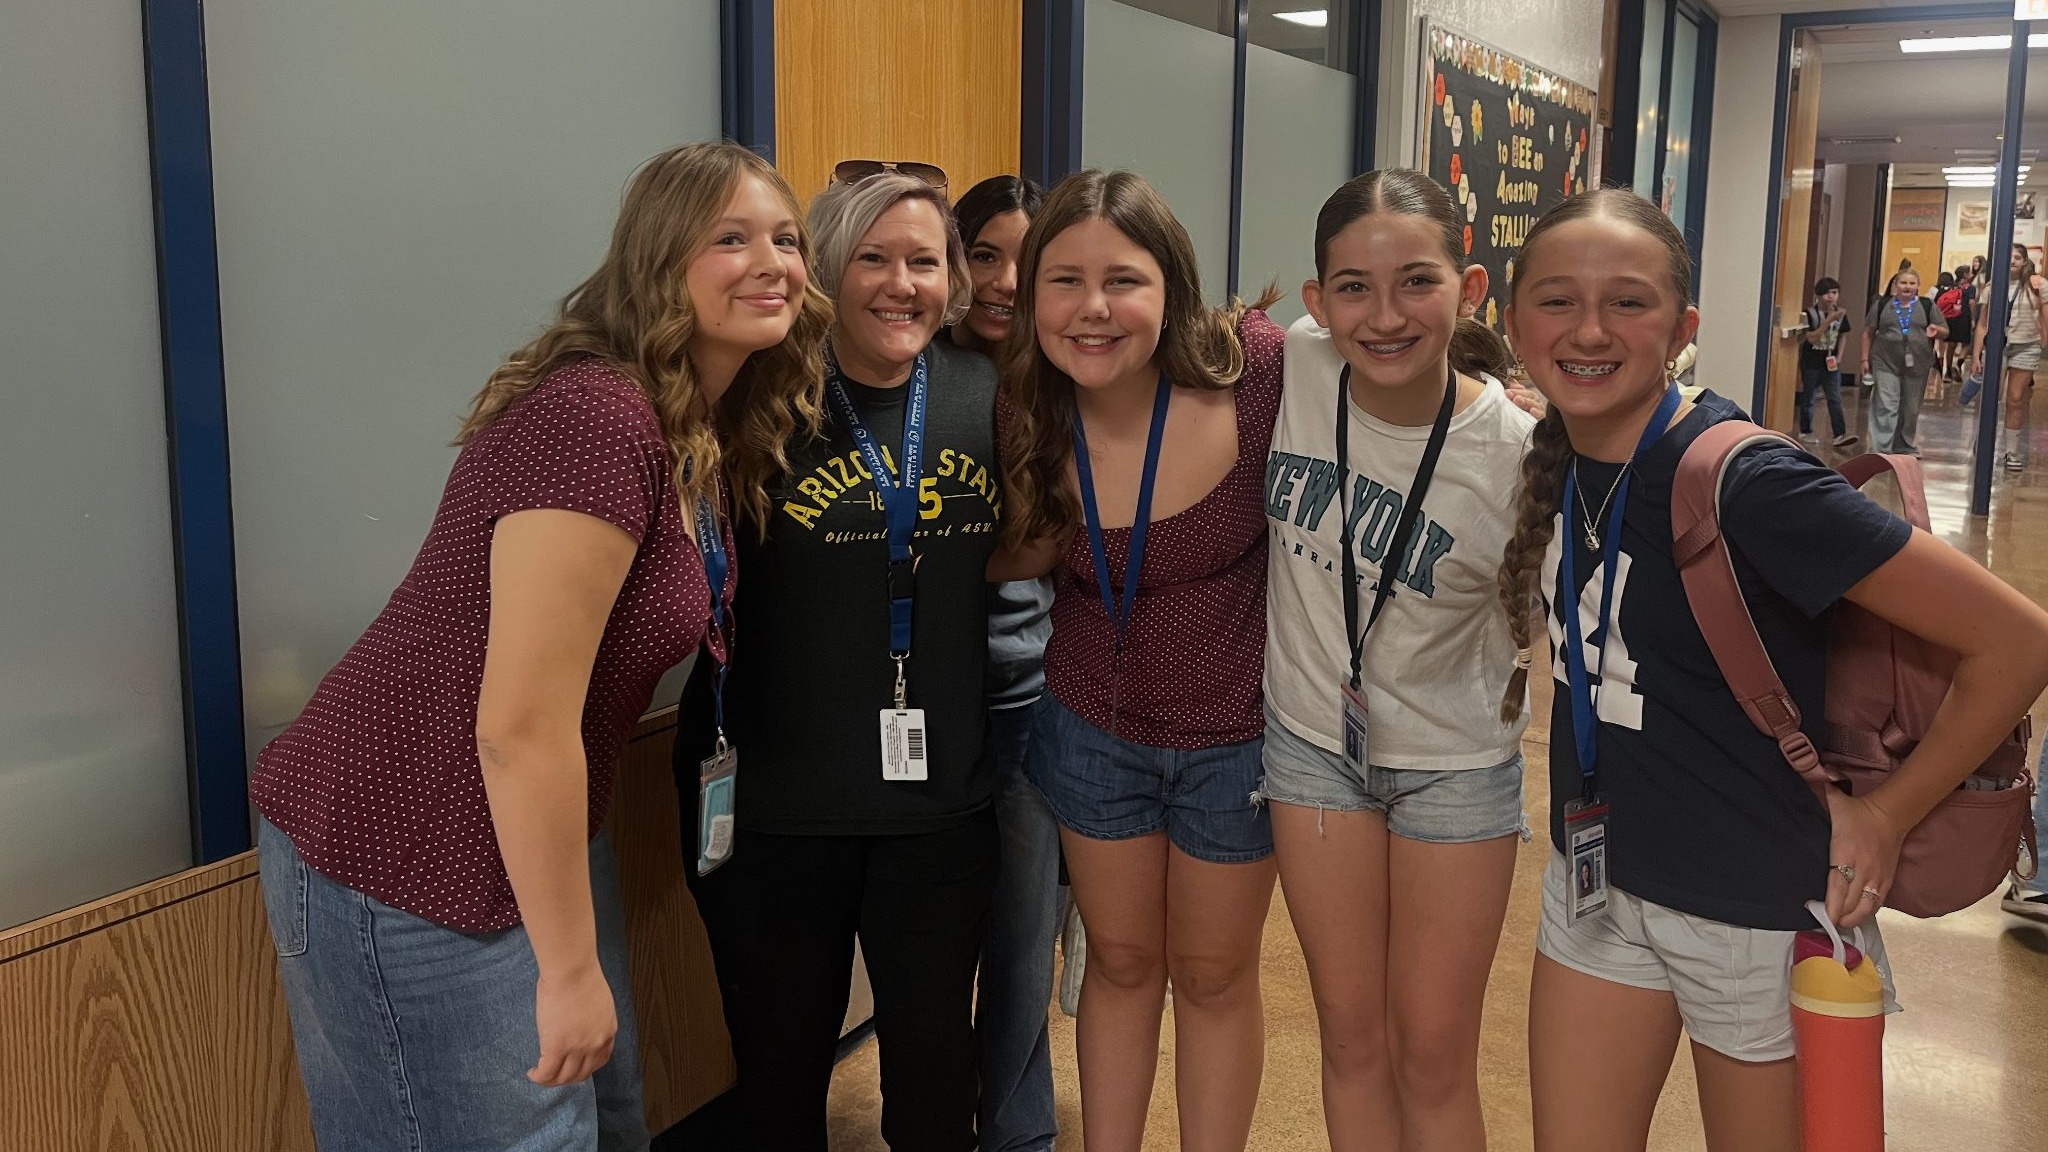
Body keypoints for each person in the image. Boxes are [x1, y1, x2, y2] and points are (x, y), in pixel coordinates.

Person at [248, 141, 829, 1152]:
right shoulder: (592, 417)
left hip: (528, 827)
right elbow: (519, 724)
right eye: (730, 238)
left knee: (600, 1121)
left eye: (786, 238)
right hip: (412, 832)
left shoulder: (690, 420)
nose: (771, 262)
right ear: (658, 259)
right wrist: (566, 973)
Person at [1497, 187, 2048, 1152]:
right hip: (1600, 886)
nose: (1588, 330)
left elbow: (2018, 641)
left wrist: (1888, 814)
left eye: (1628, 301)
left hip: (1759, 909)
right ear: (1513, 322)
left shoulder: (1750, 482)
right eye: (1557, 301)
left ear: (1683, 328)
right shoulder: (1567, 456)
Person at [675, 164, 1004, 1151]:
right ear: (825, 268)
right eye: (872, 259)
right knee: (778, 1077)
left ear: (953, 278)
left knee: (936, 1077)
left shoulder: (989, 394)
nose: (901, 285)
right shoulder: (756, 395)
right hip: (776, 805)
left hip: (938, 803)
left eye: (924, 262)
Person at [993, 168, 1284, 1152]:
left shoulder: (1256, 374)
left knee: (1212, 976)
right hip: (1091, 729)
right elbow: (1021, 548)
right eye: (1063, 281)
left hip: (1237, 740)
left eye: (1122, 280)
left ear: (1172, 285)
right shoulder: (1029, 405)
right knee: (1117, 965)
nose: (1093, 308)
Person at [1259, 169, 1534, 1152]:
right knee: (1348, 1037)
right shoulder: (1294, 364)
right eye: (1353, 288)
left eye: (1417, 281)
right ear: (1316, 300)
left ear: (1469, 288)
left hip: (1454, 769)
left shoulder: (1516, 452)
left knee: (1432, 1052)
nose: (1383, 316)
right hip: (1311, 751)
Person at [949, 172, 1061, 1152]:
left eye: (1029, 262)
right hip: (922, 704)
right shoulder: (914, 372)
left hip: (1029, 696)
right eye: (984, 254)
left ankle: (1020, 1134)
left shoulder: (1063, 380)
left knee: (1023, 941)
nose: (1004, 283)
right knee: (932, 939)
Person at [1972, 242, 2047, 472]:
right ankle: (1984, 440)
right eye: (2009, 256)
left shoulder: (2037, 285)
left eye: (2017, 257)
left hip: (2026, 345)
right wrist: (1976, 356)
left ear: (2024, 262)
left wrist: (2043, 341)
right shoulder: (1992, 286)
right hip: (1996, 346)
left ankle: (2011, 451)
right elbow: (1982, 324)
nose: (2012, 260)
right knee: (1991, 397)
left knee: (2015, 399)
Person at [1859, 267, 1946, 455]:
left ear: (1918, 286)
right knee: (1886, 405)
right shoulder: (1882, 305)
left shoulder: (1927, 305)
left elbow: (1945, 331)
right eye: (1903, 282)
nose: (1907, 287)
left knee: (1911, 408)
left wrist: (1936, 331)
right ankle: (1881, 450)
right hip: (1885, 362)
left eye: (1912, 283)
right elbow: (1868, 333)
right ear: (1896, 285)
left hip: (1918, 365)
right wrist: (1864, 359)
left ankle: (1904, 445)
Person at [1797, 277, 1855, 447]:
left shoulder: (1841, 314)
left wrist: (1839, 357)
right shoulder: (1809, 313)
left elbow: (1843, 335)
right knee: (1809, 397)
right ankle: (1805, 431)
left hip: (1831, 362)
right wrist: (1829, 320)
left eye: (1835, 293)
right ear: (1818, 295)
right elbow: (1811, 338)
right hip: (1811, 362)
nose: (1831, 297)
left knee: (1835, 398)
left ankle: (1839, 434)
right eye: (1827, 293)